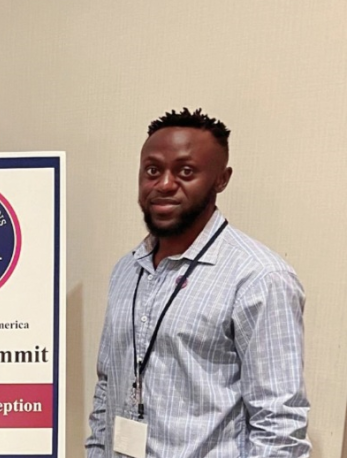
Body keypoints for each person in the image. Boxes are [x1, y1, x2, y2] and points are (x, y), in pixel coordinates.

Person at [85, 108, 310, 457]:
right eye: (152, 170)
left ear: (221, 179)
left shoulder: (260, 278)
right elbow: (107, 387)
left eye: (185, 171)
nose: (164, 184)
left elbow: (280, 426)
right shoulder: (126, 270)